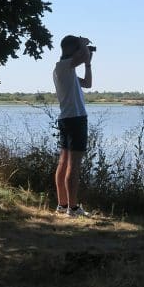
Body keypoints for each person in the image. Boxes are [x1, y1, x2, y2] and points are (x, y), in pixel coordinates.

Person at [53, 34, 93, 217]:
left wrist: (88, 63)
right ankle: (73, 208)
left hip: (67, 119)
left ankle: (62, 205)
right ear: (71, 49)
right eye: (77, 48)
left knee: (64, 162)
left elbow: (88, 83)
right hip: (75, 119)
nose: (81, 51)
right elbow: (82, 55)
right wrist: (83, 42)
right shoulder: (63, 66)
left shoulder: (66, 70)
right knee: (73, 165)